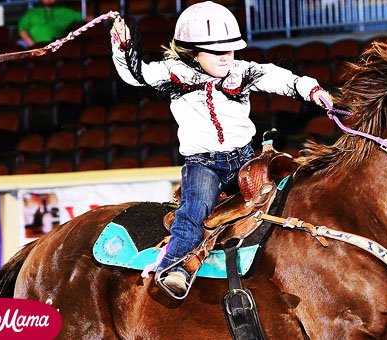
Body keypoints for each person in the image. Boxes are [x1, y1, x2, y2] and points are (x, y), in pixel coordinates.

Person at [110, 1, 333, 296]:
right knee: (194, 211)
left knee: (293, 189)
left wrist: (311, 89)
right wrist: (122, 47)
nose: (227, 57)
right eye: (217, 52)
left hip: (246, 159)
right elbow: (136, 74)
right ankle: (175, 268)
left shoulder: (241, 71)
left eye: (230, 49)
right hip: (203, 166)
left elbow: (279, 77)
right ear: (193, 51)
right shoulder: (172, 73)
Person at [17, 0, 83, 48]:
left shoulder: (66, 11)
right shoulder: (32, 13)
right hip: (32, 46)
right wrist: (33, 46)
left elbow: (88, 19)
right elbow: (22, 29)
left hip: (56, 47)